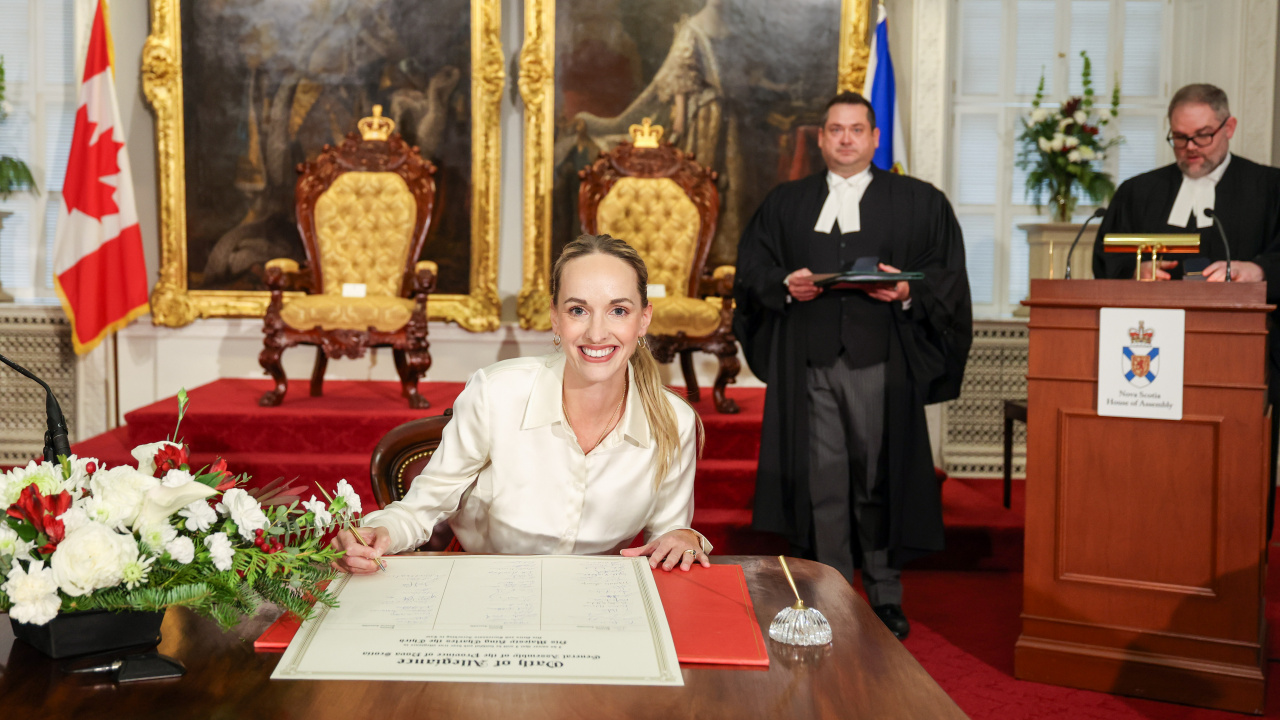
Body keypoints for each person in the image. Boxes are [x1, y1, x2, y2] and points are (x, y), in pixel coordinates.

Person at [733, 91, 972, 640]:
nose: (845, 139)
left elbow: (945, 276)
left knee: (878, 480)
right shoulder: (785, 202)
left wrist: (906, 292)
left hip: (880, 365)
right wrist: (783, 285)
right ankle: (833, 592)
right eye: (835, 129)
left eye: (856, 129)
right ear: (820, 139)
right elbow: (752, 271)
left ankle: (886, 596)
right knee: (824, 486)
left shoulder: (917, 200)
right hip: (810, 365)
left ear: (874, 138)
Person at [331, 234, 712, 573]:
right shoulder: (496, 393)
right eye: (578, 310)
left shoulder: (674, 421)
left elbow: (667, 538)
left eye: (619, 310)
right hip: (485, 587)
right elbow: (421, 509)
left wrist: (682, 539)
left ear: (643, 319)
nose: (597, 332)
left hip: (599, 598)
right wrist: (378, 533)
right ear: (555, 318)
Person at [1091, 83, 1280, 534]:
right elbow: (1106, 263)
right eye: (1179, 138)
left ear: (1229, 128)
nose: (1190, 148)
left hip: (1241, 364)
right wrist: (1134, 278)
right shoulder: (1138, 193)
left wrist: (1257, 270)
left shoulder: (1271, 188)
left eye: (1202, 136)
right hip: (1148, 369)